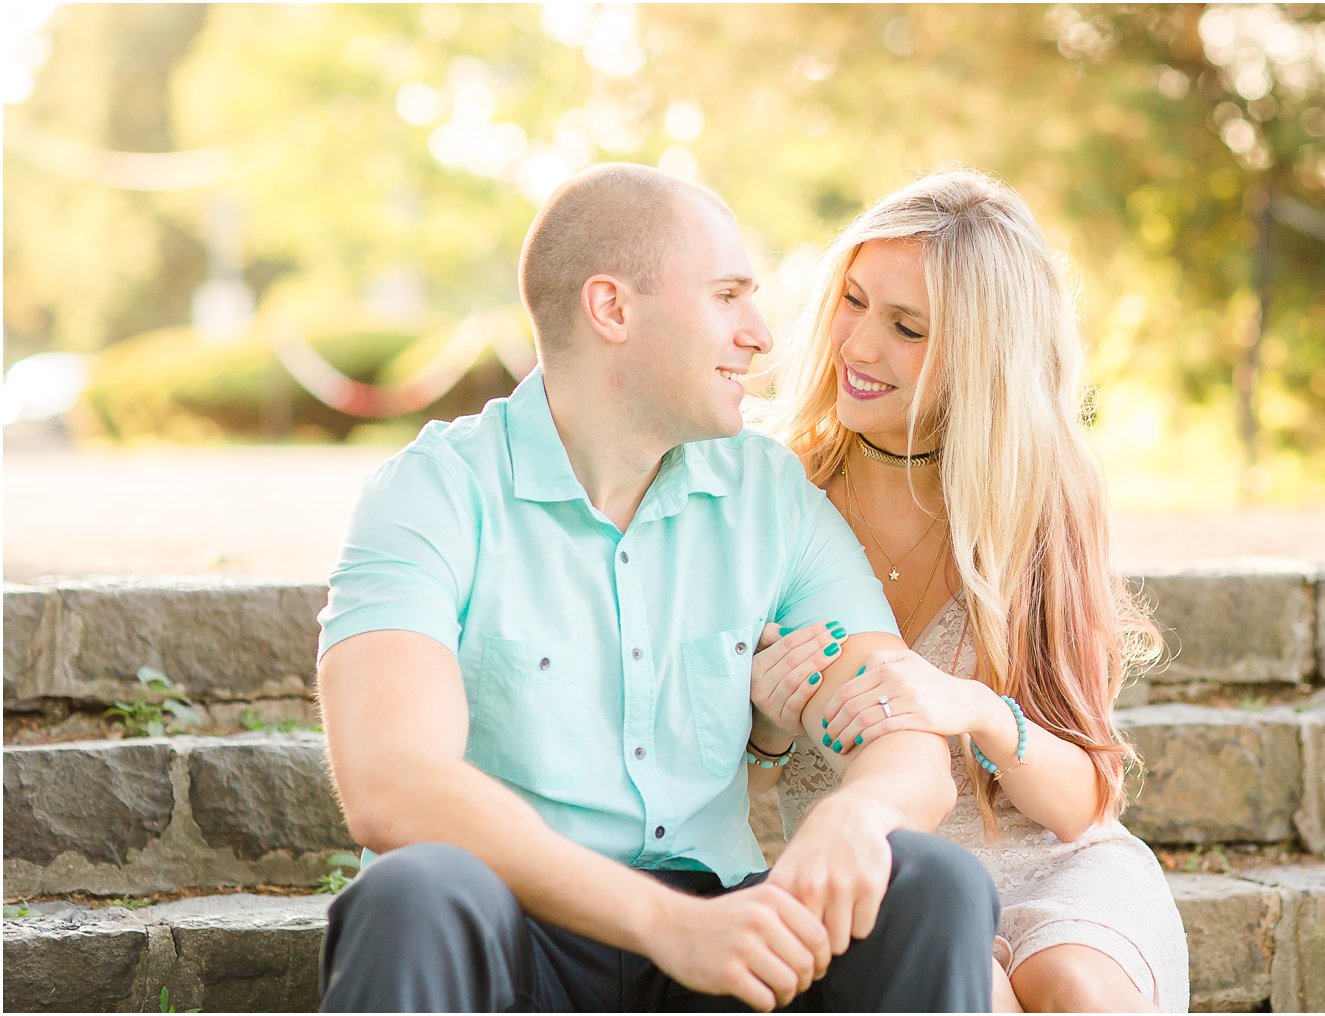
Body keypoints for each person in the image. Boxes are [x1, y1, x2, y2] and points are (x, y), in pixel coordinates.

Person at [313, 162, 999, 1013]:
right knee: (414, 892)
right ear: (612, 309)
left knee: (927, 879)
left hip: (727, 943)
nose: (761, 335)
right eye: (726, 297)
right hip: (517, 930)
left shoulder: (769, 497)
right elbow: (393, 784)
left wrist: (855, 816)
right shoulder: (433, 493)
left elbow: (905, 742)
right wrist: (662, 925)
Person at [749, 169, 1190, 1012]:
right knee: (967, 984)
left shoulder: (1038, 498)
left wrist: (980, 710)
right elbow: (715, 788)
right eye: (852, 299)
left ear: (984, 358)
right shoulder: (770, 487)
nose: (858, 345)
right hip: (875, 860)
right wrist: (767, 735)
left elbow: (1084, 801)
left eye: (907, 328)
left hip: (1049, 866)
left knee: (1077, 988)